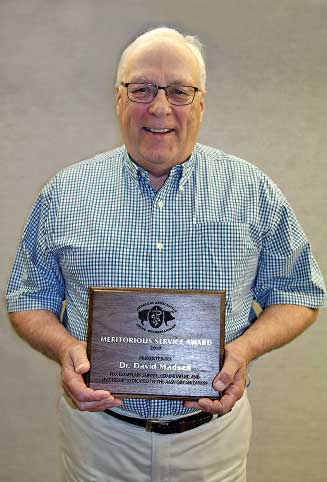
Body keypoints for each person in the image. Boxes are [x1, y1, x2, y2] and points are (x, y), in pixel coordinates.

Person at [6, 27, 326, 482]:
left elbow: (300, 294)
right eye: (141, 90)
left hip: (211, 436)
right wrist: (66, 349)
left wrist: (244, 350)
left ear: (201, 102)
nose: (159, 107)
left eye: (179, 91)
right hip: (100, 434)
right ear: (118, 98)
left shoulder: (253, 191)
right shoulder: (65, 193)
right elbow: (27, 300)